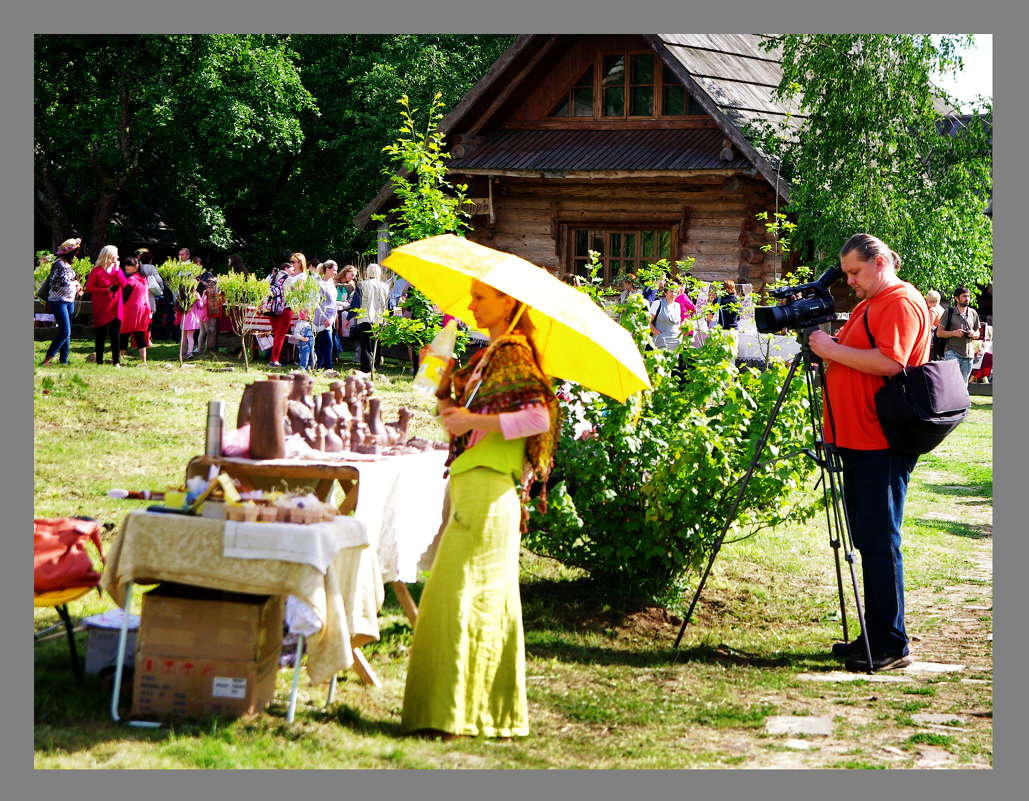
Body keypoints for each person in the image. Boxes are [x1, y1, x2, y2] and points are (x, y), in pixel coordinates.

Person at [401, 280, 561, 739]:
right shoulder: (488, 355)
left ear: (509, 301)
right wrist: (445, 385)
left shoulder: (511, 352)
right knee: (477, 601)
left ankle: (448, 716)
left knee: (455, 599)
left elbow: (538, 418)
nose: (471, 304)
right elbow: (461, 425)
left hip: (491, 493)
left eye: (480, 297)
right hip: (477, 488)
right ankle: (477, 715)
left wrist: (473, 419)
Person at [808, 233, 932, 673]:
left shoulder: (897, 300)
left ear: (880, 263)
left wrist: (830, 349)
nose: (851, 282)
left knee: (880, 542)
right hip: (858, 438)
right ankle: (875, 633)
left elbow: (891, 362)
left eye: (856, 272)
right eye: (846, 274)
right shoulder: (871, 301)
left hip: (879, 440)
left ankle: (892, 644)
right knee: (869, 539)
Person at [40, 238, 85, 367]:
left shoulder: (65, 264)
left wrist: (76, 287)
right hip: (58, 301)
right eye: (76, 252)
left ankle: (64, 360)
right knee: (65, 331)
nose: (77, 255)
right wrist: (76, 284)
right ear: (72, 252)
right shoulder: (59, 264)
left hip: (68, 300)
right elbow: (62, 285)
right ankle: (47, 360)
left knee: (68, 331)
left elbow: (67, 284)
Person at [84, 245, 127, 367]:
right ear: (109, 255)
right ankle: (99, 361)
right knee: (101, 335)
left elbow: (124, 283)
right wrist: (106, 290)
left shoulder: (116, 269)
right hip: (101, 307)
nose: (118, 256)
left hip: (115, 306)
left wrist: (118, 269)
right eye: (116, 254)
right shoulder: (96, 270)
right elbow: (89, 287)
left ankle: (116, 361)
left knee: (115, 335)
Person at [348, 263, 394, 373]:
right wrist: (390, 318)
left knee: (365, 345)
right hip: (379, 319)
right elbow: (390, 305)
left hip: (365, 318)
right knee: (377, 344)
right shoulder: (385, 286)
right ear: (379, 273)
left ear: (367, 273)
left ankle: (366, 370)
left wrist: (348, 318)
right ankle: (376, 368)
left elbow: (355, 303)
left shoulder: (361, 285)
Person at [936, 285, 981, 384]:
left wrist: (973, 334)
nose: (967, 299)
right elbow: (939, 333)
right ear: (956, 298)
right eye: (964, 296)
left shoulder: (973, 313)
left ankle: (962, 400)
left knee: (963, 384)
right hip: (952, 352)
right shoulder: (949, 312)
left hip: (968, 354)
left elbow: (978, 333)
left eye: (968, 296)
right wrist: (954, 333)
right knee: (951, 382)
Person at [119, 256, 151, 364]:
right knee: (139, 334)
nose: (126, 267)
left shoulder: (131, 280)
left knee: (124, 333)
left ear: (136, 267)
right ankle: (144, 361)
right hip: (143, 309)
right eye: (126, 265)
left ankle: (119, 359)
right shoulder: (144, 279)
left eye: (129, 265)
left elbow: (124, 297)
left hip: (131, 310)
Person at [313, 260, 339, 369]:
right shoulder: (319, 283)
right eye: (334, 270)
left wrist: (334, 316)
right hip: (322, 318)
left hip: (331, 318)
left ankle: (318, 366)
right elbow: (315, 303)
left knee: (323, 344)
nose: (335, 273)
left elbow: (333, 301)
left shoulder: (331, 282)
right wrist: (324, 318)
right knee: (328, 344)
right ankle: (329, 368)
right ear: (327, 269)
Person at [648, 282, 682, 350]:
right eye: (671, 291)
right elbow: (647, 322)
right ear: (665, 293)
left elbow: (678, 324)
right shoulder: (657, 303)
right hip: (661, 342)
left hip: (675, 342)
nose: (673, 294)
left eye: (675, 292)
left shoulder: (678, 306)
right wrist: (657, 333)